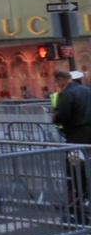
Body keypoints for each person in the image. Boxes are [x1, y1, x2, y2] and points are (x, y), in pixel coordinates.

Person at [53, 69, 91, 224]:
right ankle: (83, 198)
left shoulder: (67, 94)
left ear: (62, 79)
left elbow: (62, 116)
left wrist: (55, 117)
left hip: (75, 136)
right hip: (88, 134)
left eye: (57, 81)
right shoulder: (87, 90)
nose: (57, 85)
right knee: (85, 165)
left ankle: (78, 201)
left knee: (75, 168)